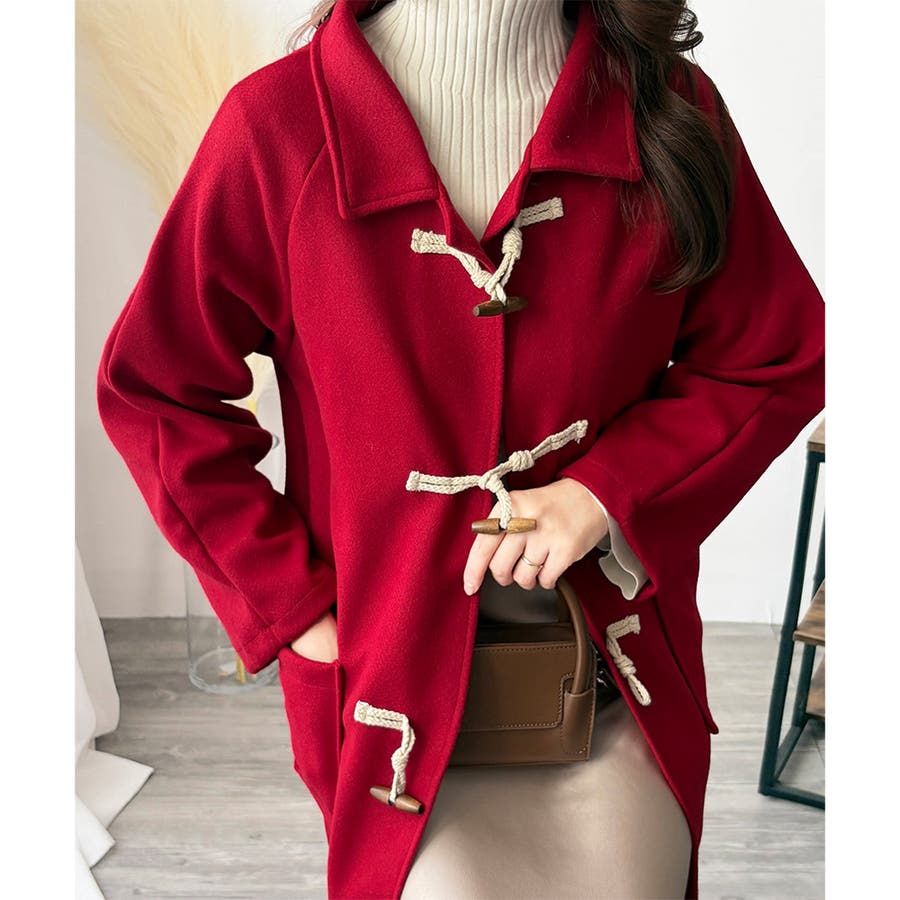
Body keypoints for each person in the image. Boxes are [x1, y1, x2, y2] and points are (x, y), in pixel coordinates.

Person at [96, 1, 826, 897]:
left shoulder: (668, 109)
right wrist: (294, 612)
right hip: (388, 684)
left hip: (611, 680)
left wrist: (603, 492)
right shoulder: (278, 128)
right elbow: (155, 391)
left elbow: (775, 356)